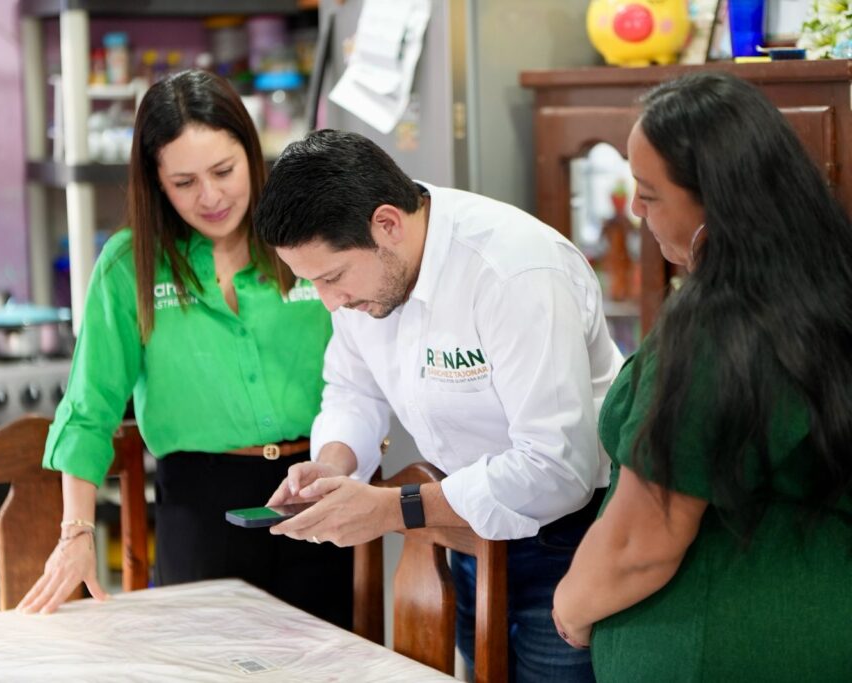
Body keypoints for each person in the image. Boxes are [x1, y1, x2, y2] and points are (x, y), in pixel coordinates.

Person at [253, 129, 623, 682]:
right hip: (465, 529)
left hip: (571, 538)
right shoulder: (367, 275)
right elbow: (353, 389)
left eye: (332, 277)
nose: (332, 302)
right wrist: (331, 464)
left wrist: (391, 508)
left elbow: (555, 468)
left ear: (387, 224)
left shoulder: (513, 271)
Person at [16, 70, 352, 628]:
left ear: (252, 153)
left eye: (224, 170)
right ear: (156, 182)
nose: (212, 196)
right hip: (200, 507)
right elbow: (89, 409)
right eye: (185, 181)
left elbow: (366, 361)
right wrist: (75, 530)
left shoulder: (305, 239)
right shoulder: (130, 266)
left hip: (320, 492)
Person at [551, 71, 852, 680]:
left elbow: (642, 544)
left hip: (714, 643)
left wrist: (571, 607)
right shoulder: (828, 286)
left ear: (716, 199)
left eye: (649, 192)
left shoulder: (718, 328)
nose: (634, 209)